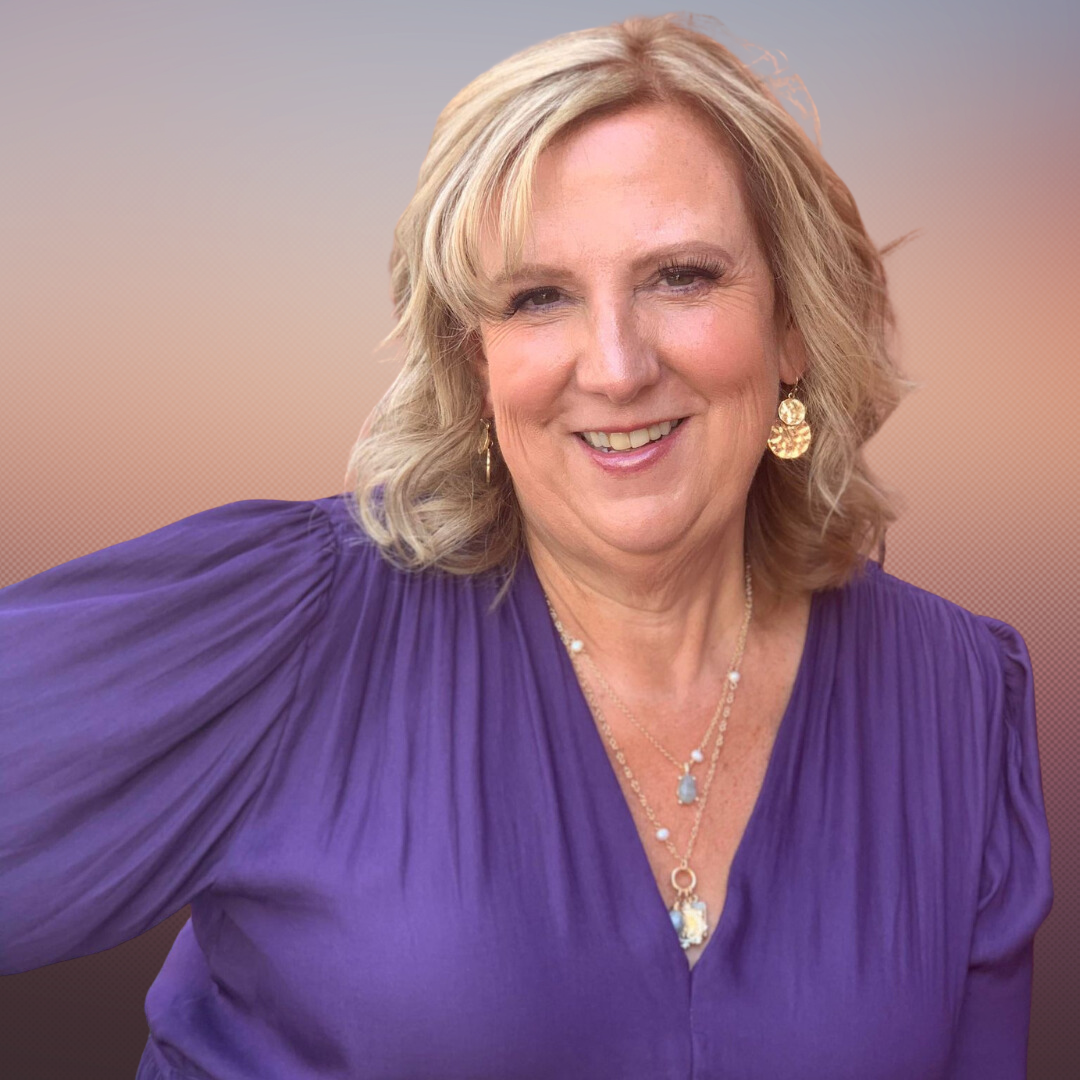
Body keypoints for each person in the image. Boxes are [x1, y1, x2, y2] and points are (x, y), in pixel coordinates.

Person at [0, 13, 1053, 1080]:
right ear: (478, 360)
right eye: (538, 297)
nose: (615, 364)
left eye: (680, 276)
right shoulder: (295, 628)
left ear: (792, 323)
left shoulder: (959, 697)